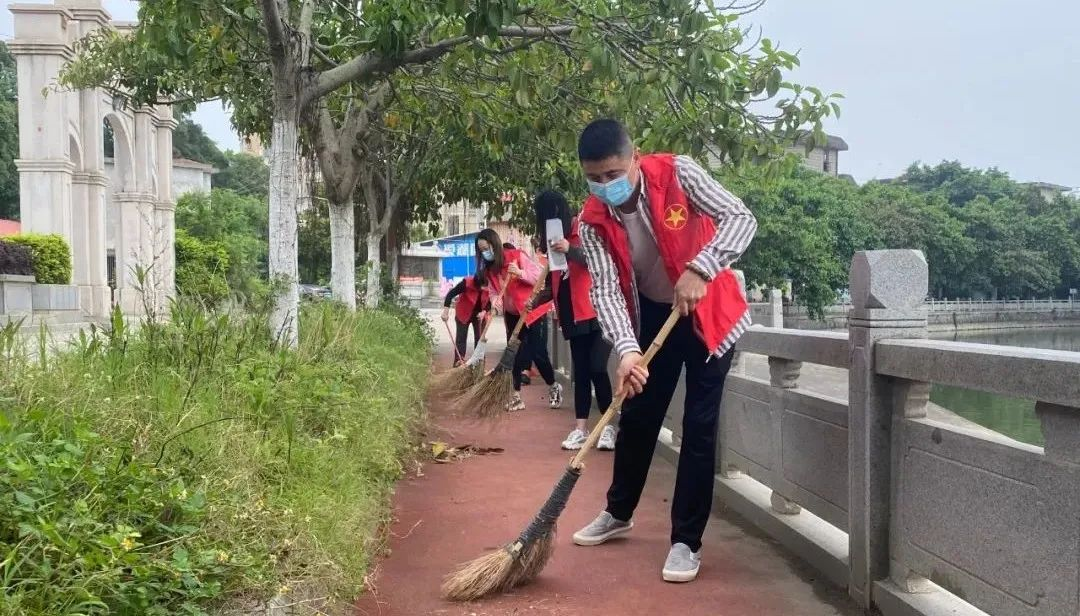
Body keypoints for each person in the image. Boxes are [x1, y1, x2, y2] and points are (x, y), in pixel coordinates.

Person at [569, 119, 757, 584]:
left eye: (613, 174)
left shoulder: (679, 173)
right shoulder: (590, 222)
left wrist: (702, 267)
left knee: (698, 426)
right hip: (656, 315)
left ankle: (685, 541)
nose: (604, 186)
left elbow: (741, 217)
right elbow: (607, 292)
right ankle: (619, 511)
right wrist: (629, 353)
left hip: (710, 313)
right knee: (638, 415)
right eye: (594, 178)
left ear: (635, 157)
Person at [530, 190, 616, 451]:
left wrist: (570, 249)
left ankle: (608, 425)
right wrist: (533, 302)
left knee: (597, 367)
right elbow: (553, 282)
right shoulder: (550, 239)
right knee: (581, 371)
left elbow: (599, 261)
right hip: (570, 313)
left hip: (595, 310)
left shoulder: (583, 228)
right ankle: (580, 428)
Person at [473, 229, 563, 411]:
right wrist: (494, 303)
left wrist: (520, 273)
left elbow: (540, 278)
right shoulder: (490, 271)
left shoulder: (516, 256)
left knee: (538, 353)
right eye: (481, 250)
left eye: (486, 248)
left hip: (532, 311)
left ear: (494, 245)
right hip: (513, 315)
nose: (485, 253)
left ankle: (554, 385)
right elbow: (493, 291)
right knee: (514, 353)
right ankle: (515, 396)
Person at [441, 276, 489, 364]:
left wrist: (484, 312)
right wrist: (445, 312)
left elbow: (490, 301)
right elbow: (450, 294)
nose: (484, 289)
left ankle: (478, 362)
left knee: (480, 339)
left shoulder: (490, 285)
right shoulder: (466, 283)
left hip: (480, 314)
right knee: (461, 338)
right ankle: (459, 362)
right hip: (463, 311)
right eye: (482, 287)